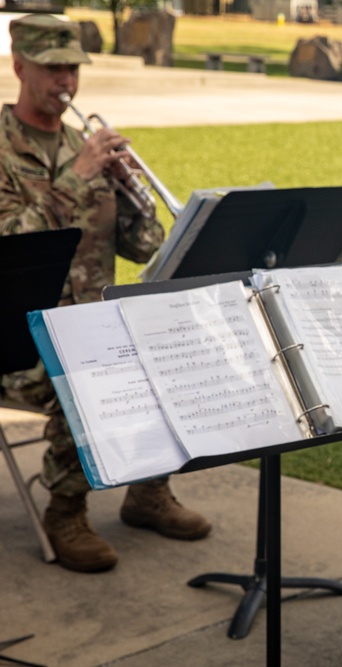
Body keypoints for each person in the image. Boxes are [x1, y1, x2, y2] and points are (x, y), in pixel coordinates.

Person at [0, 15, 211, 573]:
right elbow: (9, 239)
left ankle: (147, 493)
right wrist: (77, 176)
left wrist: (135, 194)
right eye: (52, 67)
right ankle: (65, 511)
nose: (64, 79)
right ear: (19, 66)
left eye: (72, 67)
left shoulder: (84, 143)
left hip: (93, 319)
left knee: (171, 359)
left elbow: (143, 249)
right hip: (14, 333)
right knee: (86, 377)